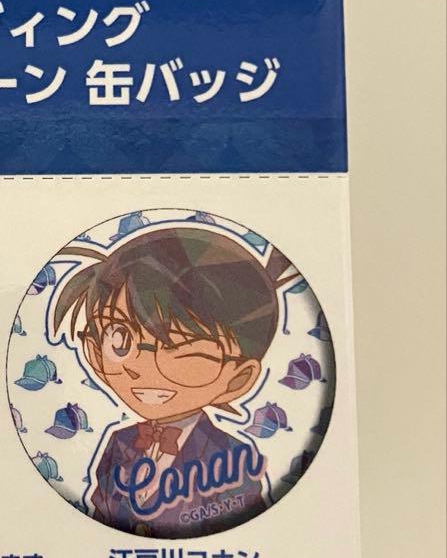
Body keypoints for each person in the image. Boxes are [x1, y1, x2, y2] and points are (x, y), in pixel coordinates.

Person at [52, 225, 294, 537]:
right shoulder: (119, 444)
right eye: (119, 340)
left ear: (238, 378)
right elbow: (98, 521)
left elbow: (243, 536)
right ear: (95, 351)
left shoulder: (231, 457)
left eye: (180, 349)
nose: (140, 367)